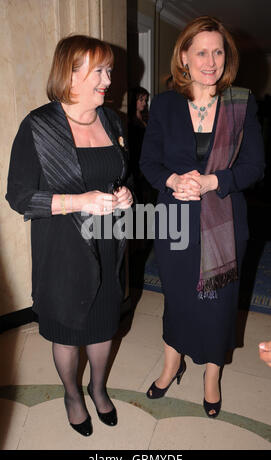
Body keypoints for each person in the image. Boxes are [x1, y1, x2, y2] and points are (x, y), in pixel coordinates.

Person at [6, 35, 133, 436]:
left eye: (109, 70)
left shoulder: (112, 121)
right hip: (62, 247)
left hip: (108, 240)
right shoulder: (39, 126)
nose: (108, 79)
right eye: (99, 70)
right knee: (67, 328)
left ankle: (96, 388)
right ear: (70, 73)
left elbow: (118, 174)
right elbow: (20, 197)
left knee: (103, 321)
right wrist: (79, 201)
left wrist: (125, 194)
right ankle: (72, 395)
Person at [140, 16, 265, 418]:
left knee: (219, 303)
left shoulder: (241, 104)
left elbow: (254, 167)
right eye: (201, 52)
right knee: (177, 298)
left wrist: (213, 181)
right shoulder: (164, 104)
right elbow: (148, 162)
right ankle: (171, 364)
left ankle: (212, 375)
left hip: (225, 223)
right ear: (184, 57)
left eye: (217, 51)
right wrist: (173, 180)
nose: (210, 61)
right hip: (174, 221)